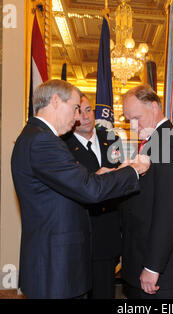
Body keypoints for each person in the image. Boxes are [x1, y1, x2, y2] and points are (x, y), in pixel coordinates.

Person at [11, 79, 149, 299]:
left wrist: (100, 175)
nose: (78, 117)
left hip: (54, 261)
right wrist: (133, 169)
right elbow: (90, 190)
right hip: (56, 267)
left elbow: (66, 185)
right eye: (75, 108)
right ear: (56, 101)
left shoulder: (34, 136)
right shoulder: (43, 141)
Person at [119, 85, 173, 299]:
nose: (133, 126)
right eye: (129, 120)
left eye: (136, 118)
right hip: (141, 255)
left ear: (154, 107)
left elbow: (169, 211)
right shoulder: (153, 141)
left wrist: (152, 266)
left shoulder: (169, 142)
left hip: (162, 272)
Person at [63, 94, 124, 298]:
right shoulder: (63, 145)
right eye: (79, 112)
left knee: (105, 291)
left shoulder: (111, 138)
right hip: (80, 231)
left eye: (89, 110)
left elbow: (120, 184)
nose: (86, 117)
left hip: (108, 230)